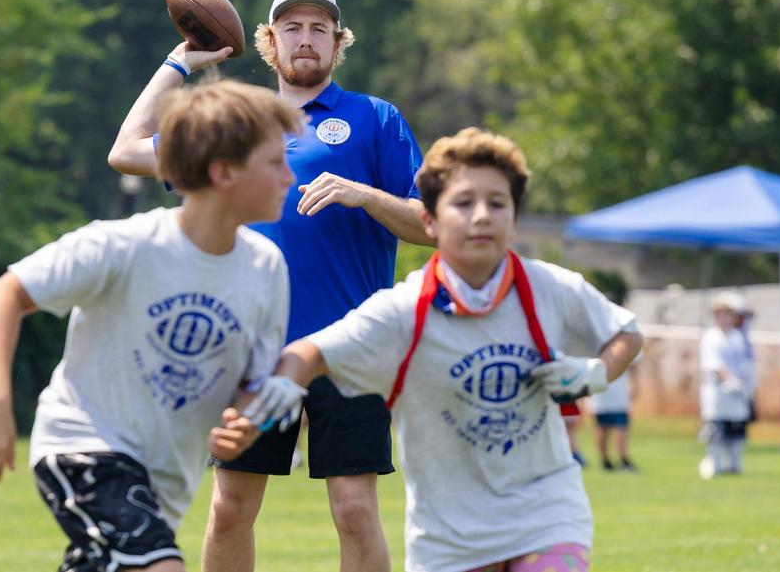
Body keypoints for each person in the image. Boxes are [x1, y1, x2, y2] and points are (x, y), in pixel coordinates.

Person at [108, 0, 431, 572]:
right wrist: (180, 61)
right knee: (230, 507)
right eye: (292, 28)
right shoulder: (240, 125)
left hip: (350, 347)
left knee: (355, 508)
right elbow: (127, 151)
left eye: (318, 29)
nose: (305, 39)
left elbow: (431, 225)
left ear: (338, 43)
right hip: (250, 347)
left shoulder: (377, 119)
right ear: (269, 43)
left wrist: (364, 194)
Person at [235, 127, 644, 572]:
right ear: (429, 220)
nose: (482, 216)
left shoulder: (549, 287)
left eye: (498, 203)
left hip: (546, 515)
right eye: (464, 204)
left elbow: (625, 333)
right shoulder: (402, 311)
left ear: (514, 216)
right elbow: (311, 353)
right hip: (448, 538)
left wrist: (594, 373)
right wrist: (277, 390)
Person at [0, 81, 305, 572]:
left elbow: (252, 383)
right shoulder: (125, 247)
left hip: (162, 482)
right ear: (223, 172)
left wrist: (245, 421)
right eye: (275, 162)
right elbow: (5, 294)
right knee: (160, 566)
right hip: (81, 445)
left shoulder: (266, 268)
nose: (289, 177)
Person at [698, 291, 757, 479]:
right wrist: (729, 380)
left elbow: (745, 361)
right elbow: (714, 364)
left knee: (736, 430)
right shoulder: (711, 337)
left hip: (738, 391)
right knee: (716, 430)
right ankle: (715, 464)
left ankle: (734, 465)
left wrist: (744, 382)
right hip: (718, 391)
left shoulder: (738, 337)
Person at [588, 357, 640, 472]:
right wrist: (636, 385)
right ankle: (622, 460)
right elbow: (634, 364)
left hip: (602, 392)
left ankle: (606, 461)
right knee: (616, 426)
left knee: (603, 426)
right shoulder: (626, 339)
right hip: (608, 394)